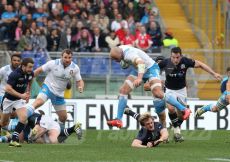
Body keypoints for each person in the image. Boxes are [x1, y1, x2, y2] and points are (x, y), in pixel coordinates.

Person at [144, 47, 222, 141]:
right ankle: (177, 132)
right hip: (169, 89)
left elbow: (200, 64)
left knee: (182, 116)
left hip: (182, 90)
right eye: (173, 57)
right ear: (171, 56)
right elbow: (152, 69)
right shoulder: (165, 63)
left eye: (177, 57)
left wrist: (213, 74)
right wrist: (142, 77)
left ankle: (174, 126)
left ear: (180, 56)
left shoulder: (185, 61)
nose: (175, 60)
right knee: (171, 108)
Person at [107, 45, 191, 128]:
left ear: (121, 54)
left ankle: (184, 109)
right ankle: (118, 119)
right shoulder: (121, 49)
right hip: (138, 70)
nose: (116, 61)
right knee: (123, 90)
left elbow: (141, 62)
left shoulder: (129, 55)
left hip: (151, 68)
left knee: (158, 93)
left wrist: (139, 78)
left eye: (116, 59)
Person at [26, 49, 84, 133]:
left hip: (59, 94)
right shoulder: (52, 63)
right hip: (48, 88)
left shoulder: (75, 68)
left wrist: (80, 87)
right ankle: (21, 118)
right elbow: (38, 71)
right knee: (38, 102)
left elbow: (79, 80)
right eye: (65, 57)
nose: (67, 59)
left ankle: (58, 134)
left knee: (63, 117)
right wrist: (27, 80)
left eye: (69, 57)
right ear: (61, 57)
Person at [0, 58, 34, 147]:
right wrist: (21, 95)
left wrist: (28, 93)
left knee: (23, 118)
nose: (31, 69)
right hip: (8, 100)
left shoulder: (30, 74)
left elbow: (30, 82)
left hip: (18, 100)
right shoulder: (15, 74)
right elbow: (7, 88)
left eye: (32, 67)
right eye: (29, 67)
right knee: (3, 123)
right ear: (23, 66)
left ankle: (13, 140)